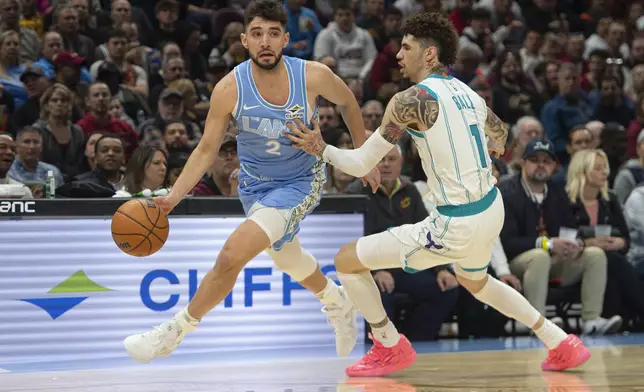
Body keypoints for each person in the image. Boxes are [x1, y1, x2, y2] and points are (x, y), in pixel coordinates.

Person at [285, 12, 591, 377]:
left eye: (406, 47)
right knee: (475, 280)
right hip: (492, 208)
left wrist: (321, 148)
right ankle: (560, 341)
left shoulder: (409, 100)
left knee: (347, 259)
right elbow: (502, 136)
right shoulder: (468, 93)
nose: (398, 55)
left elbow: (361, 162)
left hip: (457, 222)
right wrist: (489, 150)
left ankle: (388, 344)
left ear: (429, 54)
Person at [122, 0, 378, 363]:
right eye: (257, 34)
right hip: (255, 186)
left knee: (230, 256)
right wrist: (172, 198)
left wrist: (362, 155)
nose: (265, 42)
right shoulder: (229, 88)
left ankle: (173, 332)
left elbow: (349, 102)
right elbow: (207, 150)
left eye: (273, 34)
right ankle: (336, 301)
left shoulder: (311, 75)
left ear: (286, 38)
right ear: (244, 39)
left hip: (300, 182)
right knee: (288, 258)